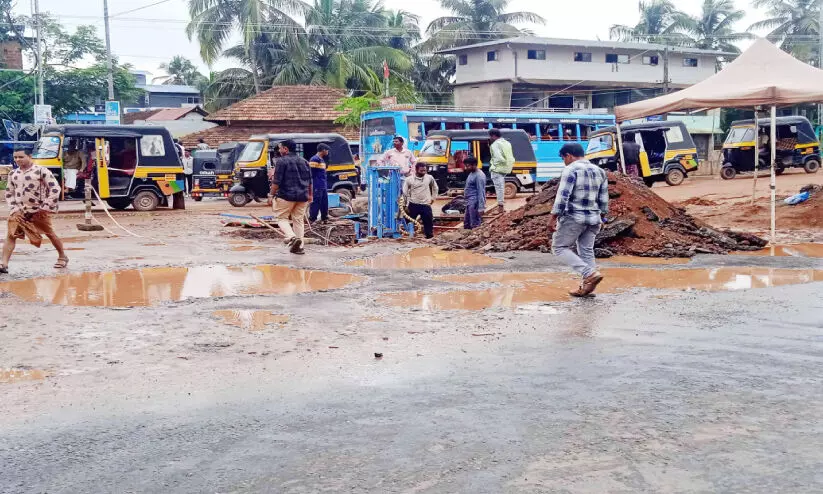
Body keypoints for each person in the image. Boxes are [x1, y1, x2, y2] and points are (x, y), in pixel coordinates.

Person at [548, 142, 609, 298]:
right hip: (594, 218)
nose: (564, 161)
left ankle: (589, 273)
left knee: (559, 247)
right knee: (586, 250)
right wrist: (602, 217)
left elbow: (563, 196)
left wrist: (553, 217)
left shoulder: (571, 170)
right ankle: (587, 287)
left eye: (563, 158)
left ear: (568, 156)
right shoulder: (600, 171)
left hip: (574, 217)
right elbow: (603, 199)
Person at [1, 147, 68, 273]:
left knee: (50, 234)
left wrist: (45, 207)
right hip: (19, 212)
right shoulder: (13, 174)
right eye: (15, 157)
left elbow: (55, 189)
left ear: (30, 156)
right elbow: (9, 193)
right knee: (10, 236)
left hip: (39, 211)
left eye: (21, 157)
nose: (18, 159)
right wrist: (14, 208)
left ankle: (62, 257)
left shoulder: (41, 171)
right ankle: (4, 264)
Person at [269, 139, 312, 255]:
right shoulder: (304, 161)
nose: (279, 150)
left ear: (285, 149)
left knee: (281, 218)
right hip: (302, 196)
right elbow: (310, 181)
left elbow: (276, 182)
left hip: (286, 196)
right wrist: (310, 195)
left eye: (280, 148)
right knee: (298, 220)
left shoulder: (281, 161)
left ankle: (292, 238)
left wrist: (270, 195)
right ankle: (300, 247)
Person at [402, 162, 439, 239]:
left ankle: (429, 237)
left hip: (425, 204)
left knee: (428, 221)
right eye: (421, 171)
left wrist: (433, 198)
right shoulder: (409, 179)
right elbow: (405, 192)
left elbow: (435, 188)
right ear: (416, 170)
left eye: (425, 170)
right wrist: (405, 205)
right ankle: (408, 236)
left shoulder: (429, 178)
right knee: (408, 221)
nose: (423, 172)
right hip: (413, 204)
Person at [488, 128, 514, 214]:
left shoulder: (495, 144)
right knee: (501, 187)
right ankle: (501, 207)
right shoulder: (507, 143)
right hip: (506, 169)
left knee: (499, 188)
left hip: (497, 169)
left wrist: (494, 166)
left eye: (490, 136)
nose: (490, 138)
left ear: (493, 136)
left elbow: (499, 158)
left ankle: (500, 208)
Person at [462, 157, 486, 230]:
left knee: (474, 223)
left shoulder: (479, 176)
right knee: (467, 223)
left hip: (475, 202)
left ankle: (475, 236)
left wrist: (481, 208)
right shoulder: (472, 173)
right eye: (466, 166)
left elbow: (481, 192)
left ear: (474, 165)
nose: (466, 168)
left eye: (468, 166)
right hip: (469, 202)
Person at [309, 143, 330, 223]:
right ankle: (312, 219)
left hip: (323, 185)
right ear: (323, 150)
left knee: (324, 202)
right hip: (317, 185)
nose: (327, 152)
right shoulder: (314, 159)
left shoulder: (321, 159)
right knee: (316, 202)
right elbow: (311, 174)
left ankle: (324, 218)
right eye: (327, 150)